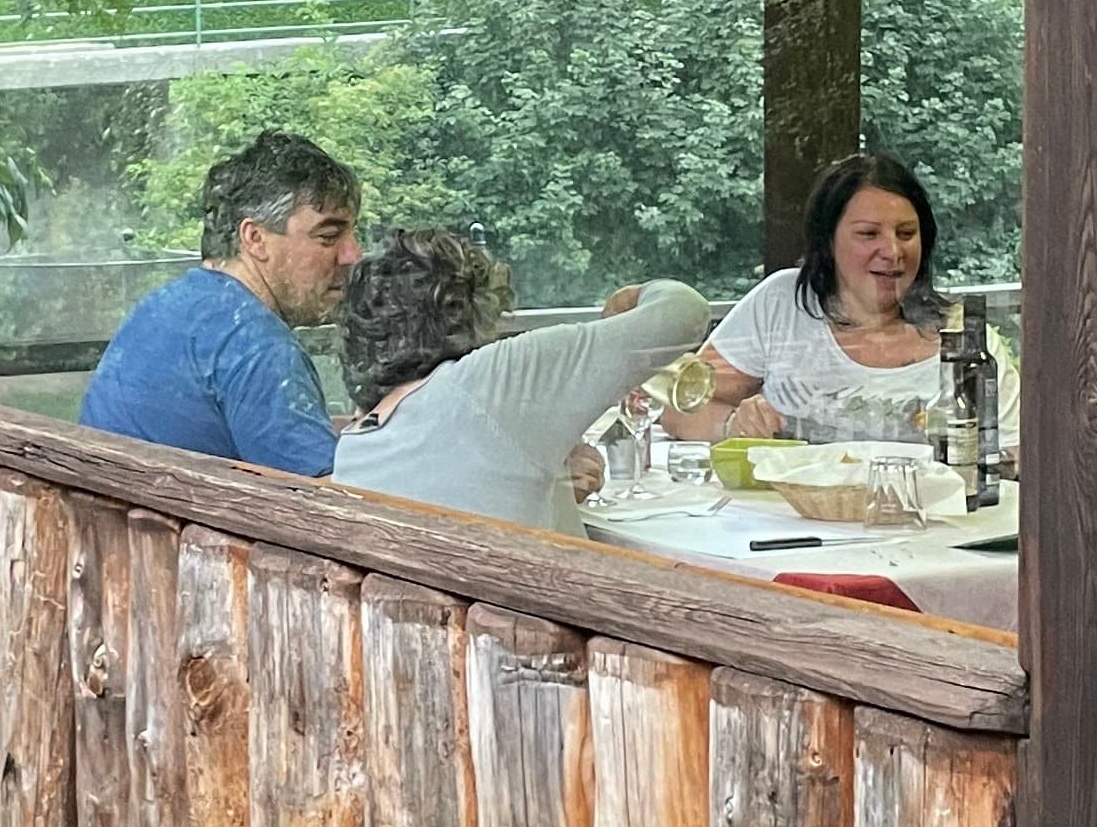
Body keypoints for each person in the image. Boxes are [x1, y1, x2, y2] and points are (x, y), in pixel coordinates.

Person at [332, 234, 713, 539]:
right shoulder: (490, 380)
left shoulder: (360, 443)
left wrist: (550, 480)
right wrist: (637, 295)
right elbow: (685, 315)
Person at [80, 130, 362, 473]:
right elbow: (329, 502)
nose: (352, 254)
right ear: (255, 239)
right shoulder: (257, 345)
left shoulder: (165, 306)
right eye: (329, 236)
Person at [663, 151, 946, 442]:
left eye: (906, 233)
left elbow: (993, 458)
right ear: (828, 240)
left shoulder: (966, 339)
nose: (893, 252)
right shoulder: (781, 303)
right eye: (869, 234)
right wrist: (732, 425)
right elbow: (679, 409)